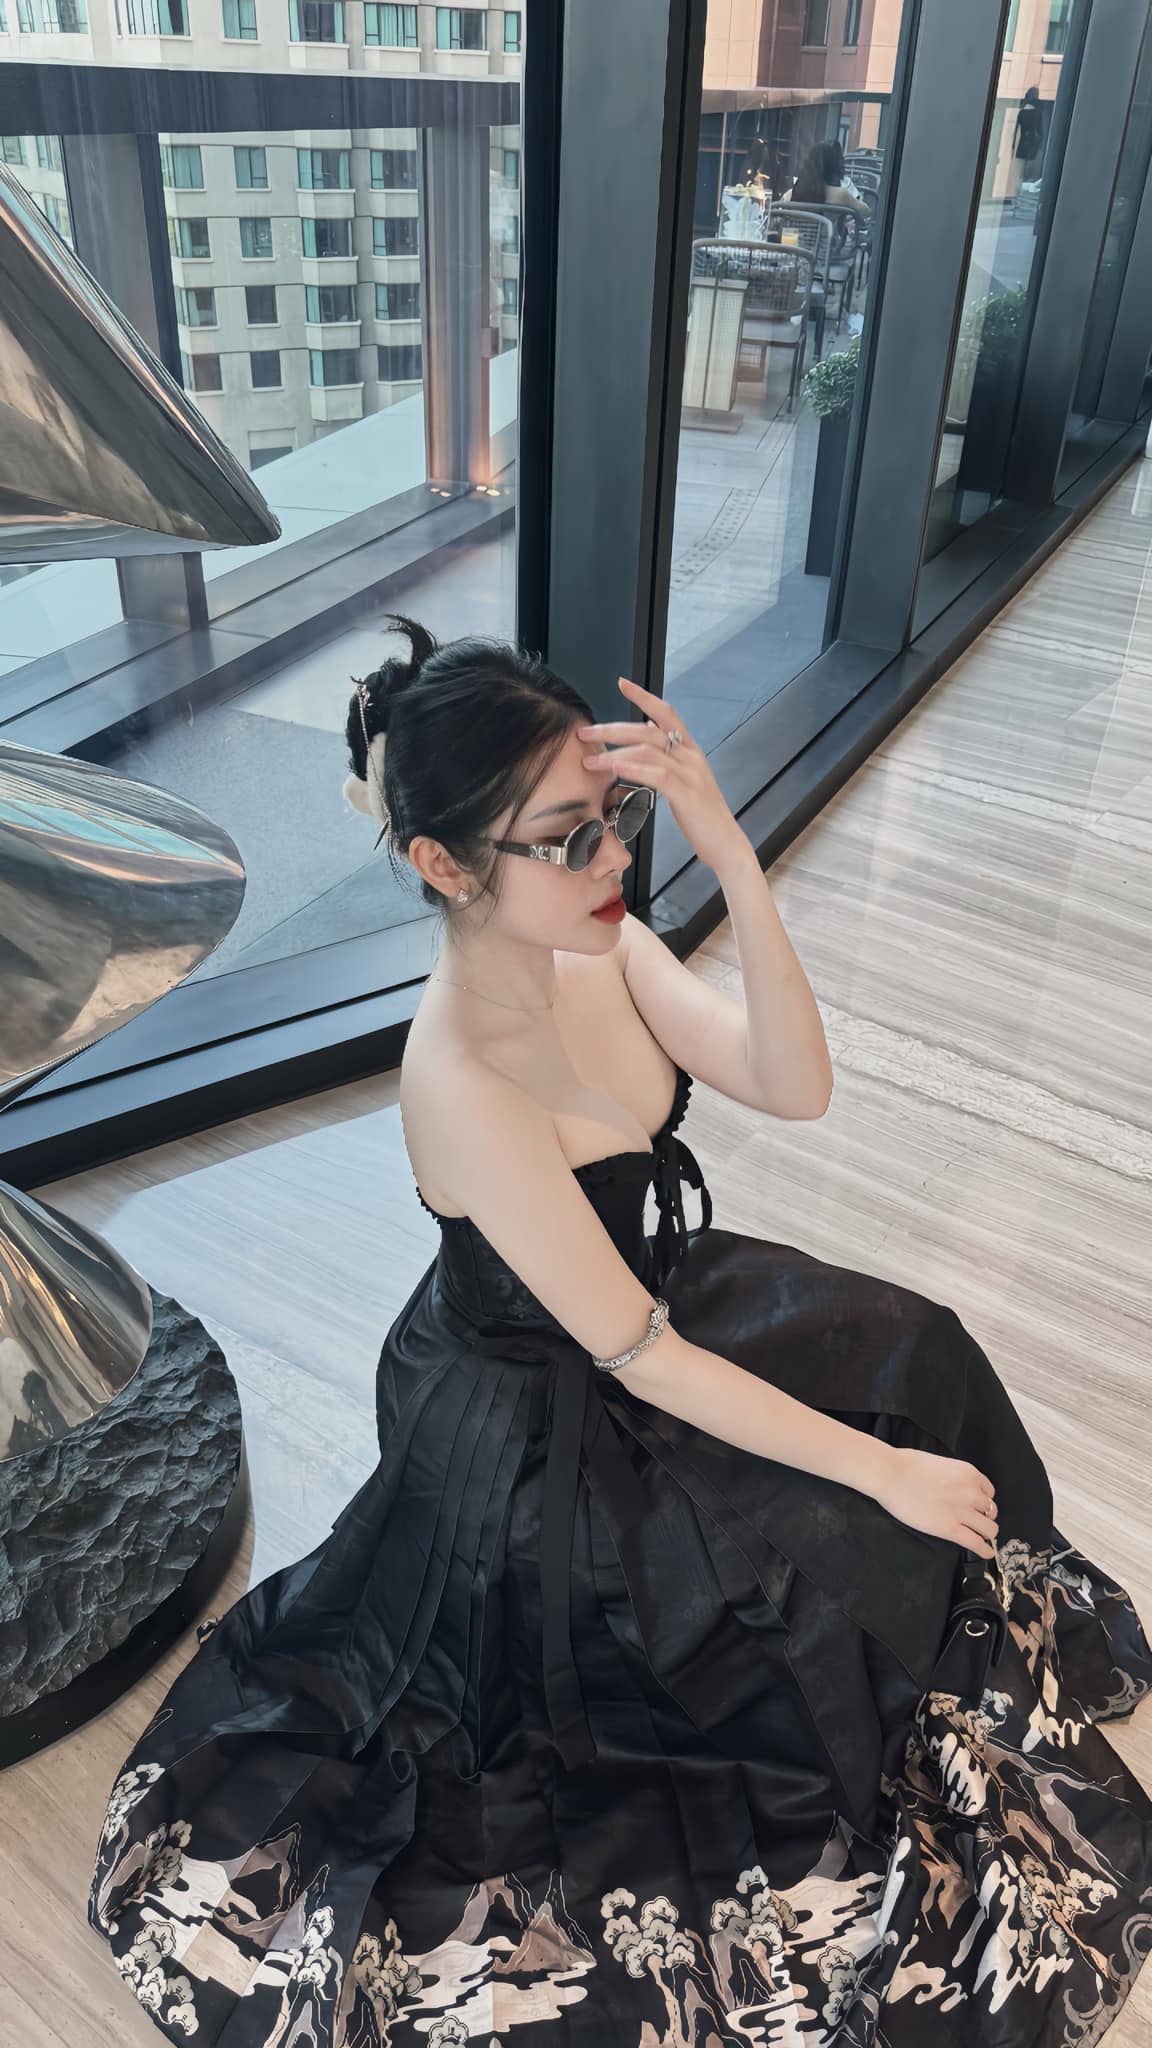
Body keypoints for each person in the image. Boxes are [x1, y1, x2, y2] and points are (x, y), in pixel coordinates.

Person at [87, 617, 1152, 2047]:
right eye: (567, 838)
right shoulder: (461, 1077)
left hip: (645, 1298)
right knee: (761, 1598)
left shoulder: (600, 944)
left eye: (616, 819)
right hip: (534, 1411)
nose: (613, 862)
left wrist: (730, 853)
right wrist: (877, 1471)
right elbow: (634, 1357)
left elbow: (793, 1082)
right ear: (444, 865)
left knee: (915, 1348)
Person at [786, 138, 870, 220]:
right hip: (829, 229)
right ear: (835, 165)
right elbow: (866, 212)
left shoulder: (792, 194)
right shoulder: (841, 194)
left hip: (794, 229)